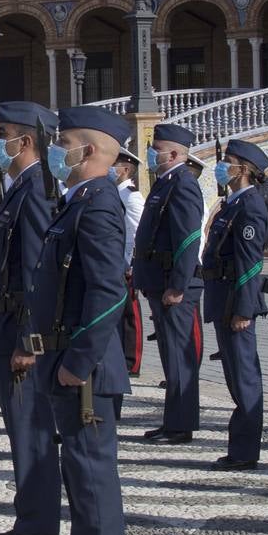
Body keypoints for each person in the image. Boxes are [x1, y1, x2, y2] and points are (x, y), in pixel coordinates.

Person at [21, 106, 130, 535]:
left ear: (87, 150)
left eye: (63, 141)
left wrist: (79, 359)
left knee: (90, 472)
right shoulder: (79, 201)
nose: (55, 150)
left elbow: (109, 291)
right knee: (79, 470)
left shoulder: (99, 203)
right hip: (66, 359)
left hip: (84, 369)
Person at [0, 102, 60, 535]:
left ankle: (38, 526)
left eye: (3, 132)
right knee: (19, 430)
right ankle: (28, 518)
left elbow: (35, 272)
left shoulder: (34, 193)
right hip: (7, 323)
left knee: (30, 430)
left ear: (25, 140)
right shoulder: (20, 189)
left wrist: (29, 338)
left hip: (21, 330)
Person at [132, 123, 205, 444]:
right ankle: (172, 420)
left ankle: (181, 425)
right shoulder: (166, 184)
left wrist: (178, 284)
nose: (151, 153)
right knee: (169, 356)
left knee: (179, 358)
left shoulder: (183, 185)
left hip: (174, 287)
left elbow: (188, 239)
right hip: (159, 282)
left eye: (156, 148)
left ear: (174, 153)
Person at [201, 140, 268, 471]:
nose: (222, 167)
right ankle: (239, 447)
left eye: (227, 162)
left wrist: (244, 309)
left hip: (235, 301)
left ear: (243, 169)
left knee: (244, 377)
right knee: (234, 376)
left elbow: (250, 263)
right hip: (223, 296)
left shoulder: (250, 206)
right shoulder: (232, 203)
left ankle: (245, 451)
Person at [113, 147, 146, 376]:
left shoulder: (131, 196)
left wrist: (130, 264)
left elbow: (136, 234)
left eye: (113, 165)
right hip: (116, 263)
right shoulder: (116, 193)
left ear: (124, 170)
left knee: (130, 315)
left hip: (126, 265)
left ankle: (131, 361)